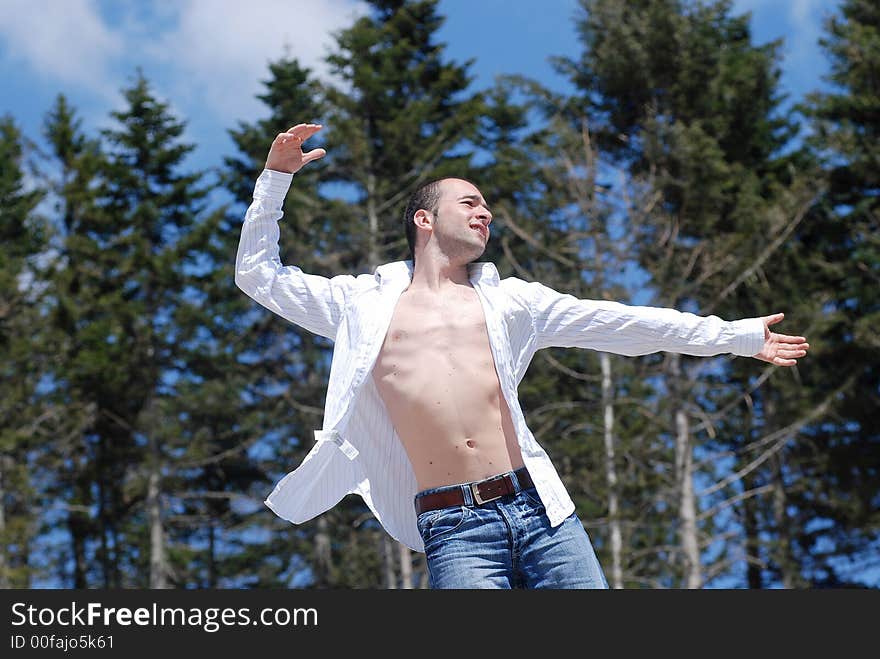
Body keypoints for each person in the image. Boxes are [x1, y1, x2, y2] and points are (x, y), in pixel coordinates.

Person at [234, 123, 810, 589]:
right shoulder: (358, 305)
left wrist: (736, 336)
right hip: (453, 528)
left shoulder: (513, 303)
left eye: (487, 206)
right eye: (470, 202)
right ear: (424, 219)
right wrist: (275, 180)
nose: (486, 213)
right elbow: (258, 275)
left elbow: (624, 323)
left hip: (542, 512)